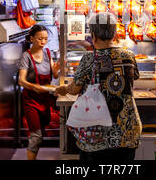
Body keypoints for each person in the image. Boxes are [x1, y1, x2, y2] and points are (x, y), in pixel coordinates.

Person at [55, 12, 142, 161]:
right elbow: (133, 77)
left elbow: (74, 89)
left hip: (96, 133)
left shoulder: (89, 58)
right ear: (114, 33)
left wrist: (63, 89)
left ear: (93, 35)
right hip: (127, 130)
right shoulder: (128, 55)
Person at [17, 25, 60, 160]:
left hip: (44, 99)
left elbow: (55, 75)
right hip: (31, 100)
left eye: (46, 39)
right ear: (32, 39)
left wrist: (58, 67)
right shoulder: (26, 56)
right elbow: (21, 81)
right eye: (40, 38)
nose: (43, 42)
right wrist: (34, 87)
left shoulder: (48, 53)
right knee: (36, 136)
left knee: (42, 130)